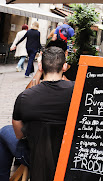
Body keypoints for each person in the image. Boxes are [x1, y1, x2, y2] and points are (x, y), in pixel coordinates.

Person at [0, 46, 73, 181]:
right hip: (69, 159)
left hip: (34, 156)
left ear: (40, 66)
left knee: (4, 131)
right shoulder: (78, 93)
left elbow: (19, 134)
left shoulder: (25, 97)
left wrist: (38, 73)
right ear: (64, 67)